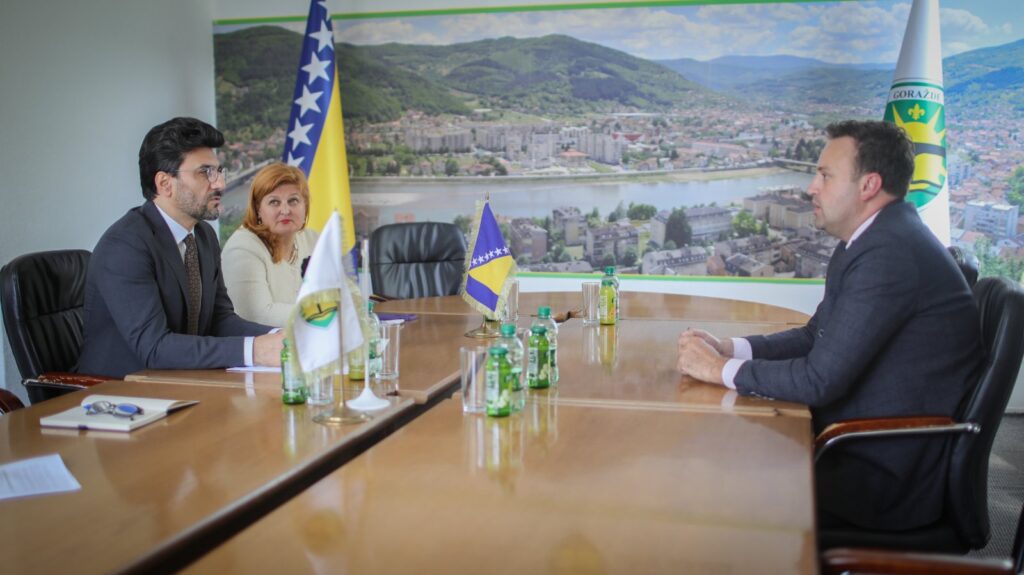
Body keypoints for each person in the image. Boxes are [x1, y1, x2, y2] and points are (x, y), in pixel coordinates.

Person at [677, 120, 982, 532]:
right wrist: (732, 348)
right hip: (857, 439)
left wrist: (717, 370)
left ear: (869, 185)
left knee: (714, 478)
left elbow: (819, 380)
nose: (811, 188)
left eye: (825, 175)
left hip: (879, 474)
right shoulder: (870, 241)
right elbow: (813, 336)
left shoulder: (889, 255)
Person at [77, 117, 284, 379]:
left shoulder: (204, 236)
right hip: (119, 390)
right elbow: (154, 348)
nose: (219, 183)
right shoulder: (125, 246)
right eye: (205, 172)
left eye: (218, 171)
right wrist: (255, 351)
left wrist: (279, 336)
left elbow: (219, 320)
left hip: (180, 382)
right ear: (165, 184)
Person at [222, 163, 318, 327]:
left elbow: (340, 292)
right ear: (258, 209)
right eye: (274, 202)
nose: (285, 210)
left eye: (293, 200)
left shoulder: (313, 240)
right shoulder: (242, 248)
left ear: (305, 206)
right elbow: (256, 315)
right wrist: (323, 314)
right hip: (258, 341)